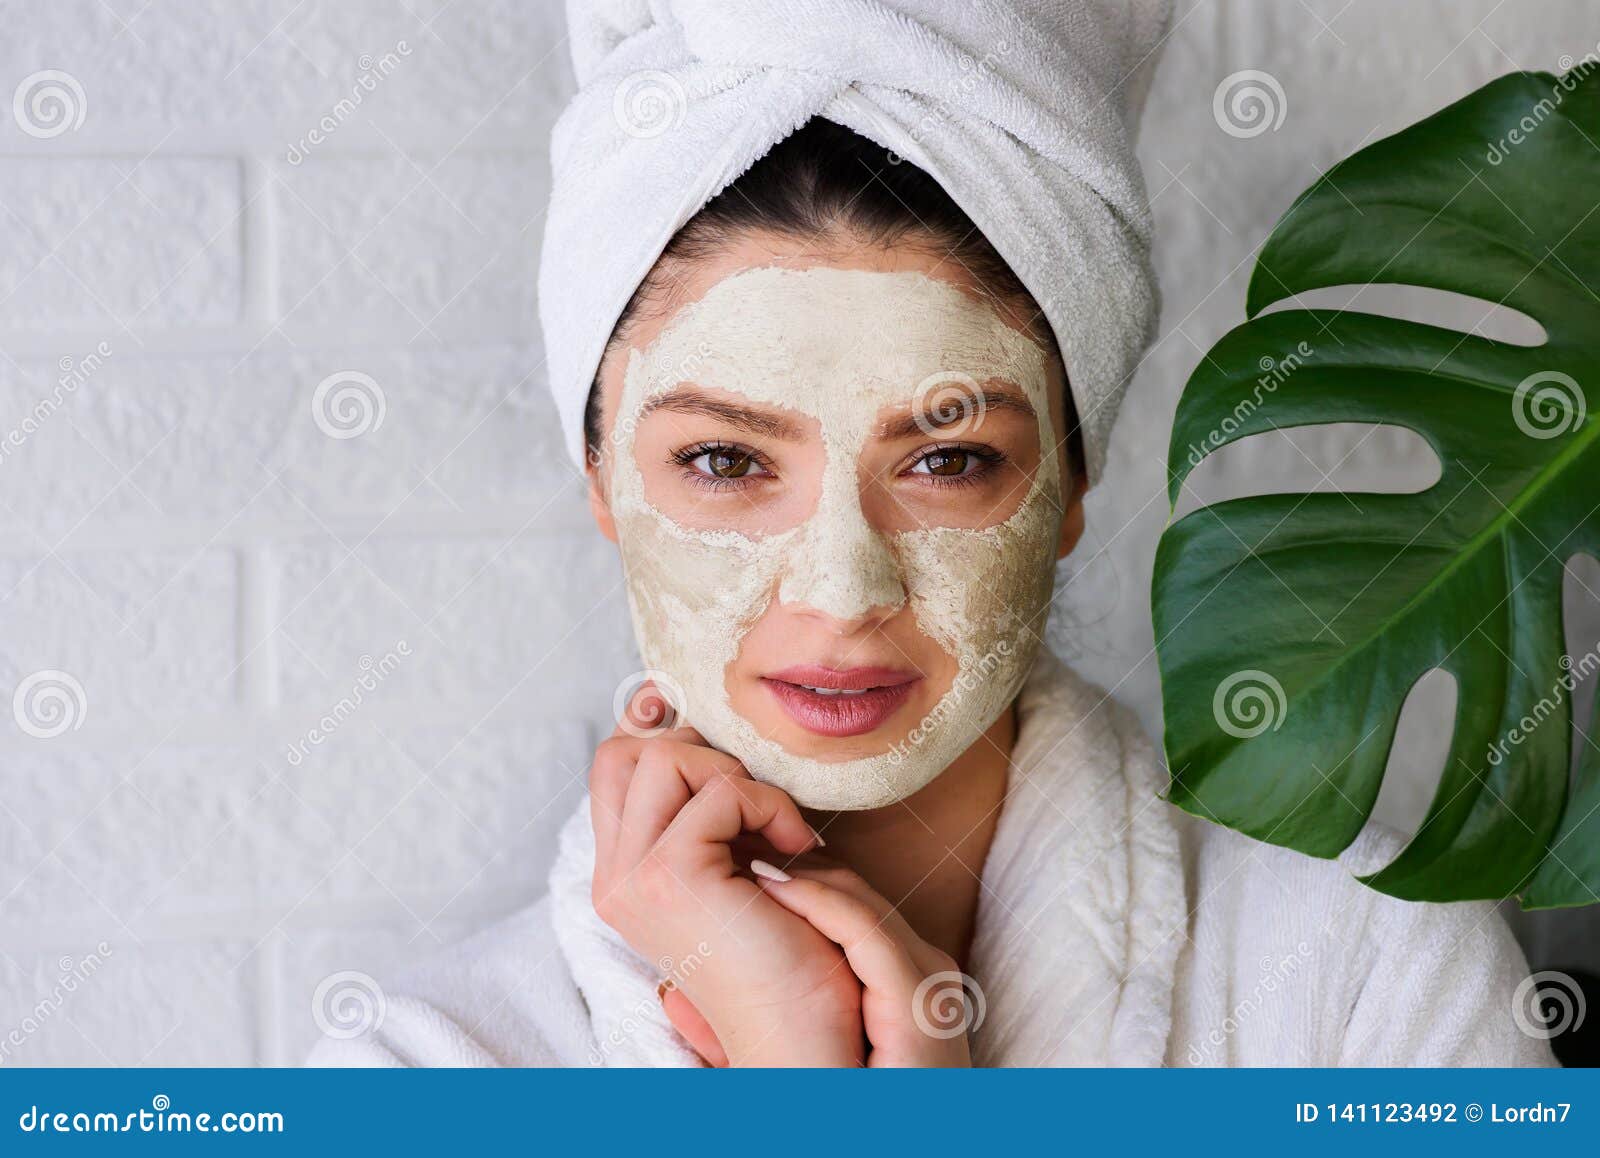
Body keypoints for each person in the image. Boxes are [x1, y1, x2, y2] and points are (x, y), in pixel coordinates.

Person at [309, 1, 1556, 1068]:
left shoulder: (1365, 967)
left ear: (1072, 480)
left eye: (947, 459)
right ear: (598, 477)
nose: (845, 587)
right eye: (725, 461)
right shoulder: (425, 1067)